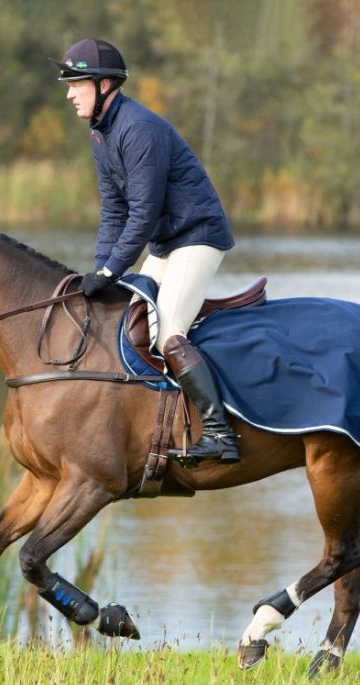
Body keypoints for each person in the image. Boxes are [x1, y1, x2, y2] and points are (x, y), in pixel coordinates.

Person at [56, 38, 240, 465]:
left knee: (169, 329)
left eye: (76, 84)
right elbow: (114, 209)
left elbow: (142, 212)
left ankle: (219, 431)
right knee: (126, 317)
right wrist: (103, 270)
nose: (68, 93)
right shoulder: (102, 133)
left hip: (198, 237)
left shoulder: (139, 129)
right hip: (166, 242)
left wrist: (110, 271)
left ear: (104, 85)